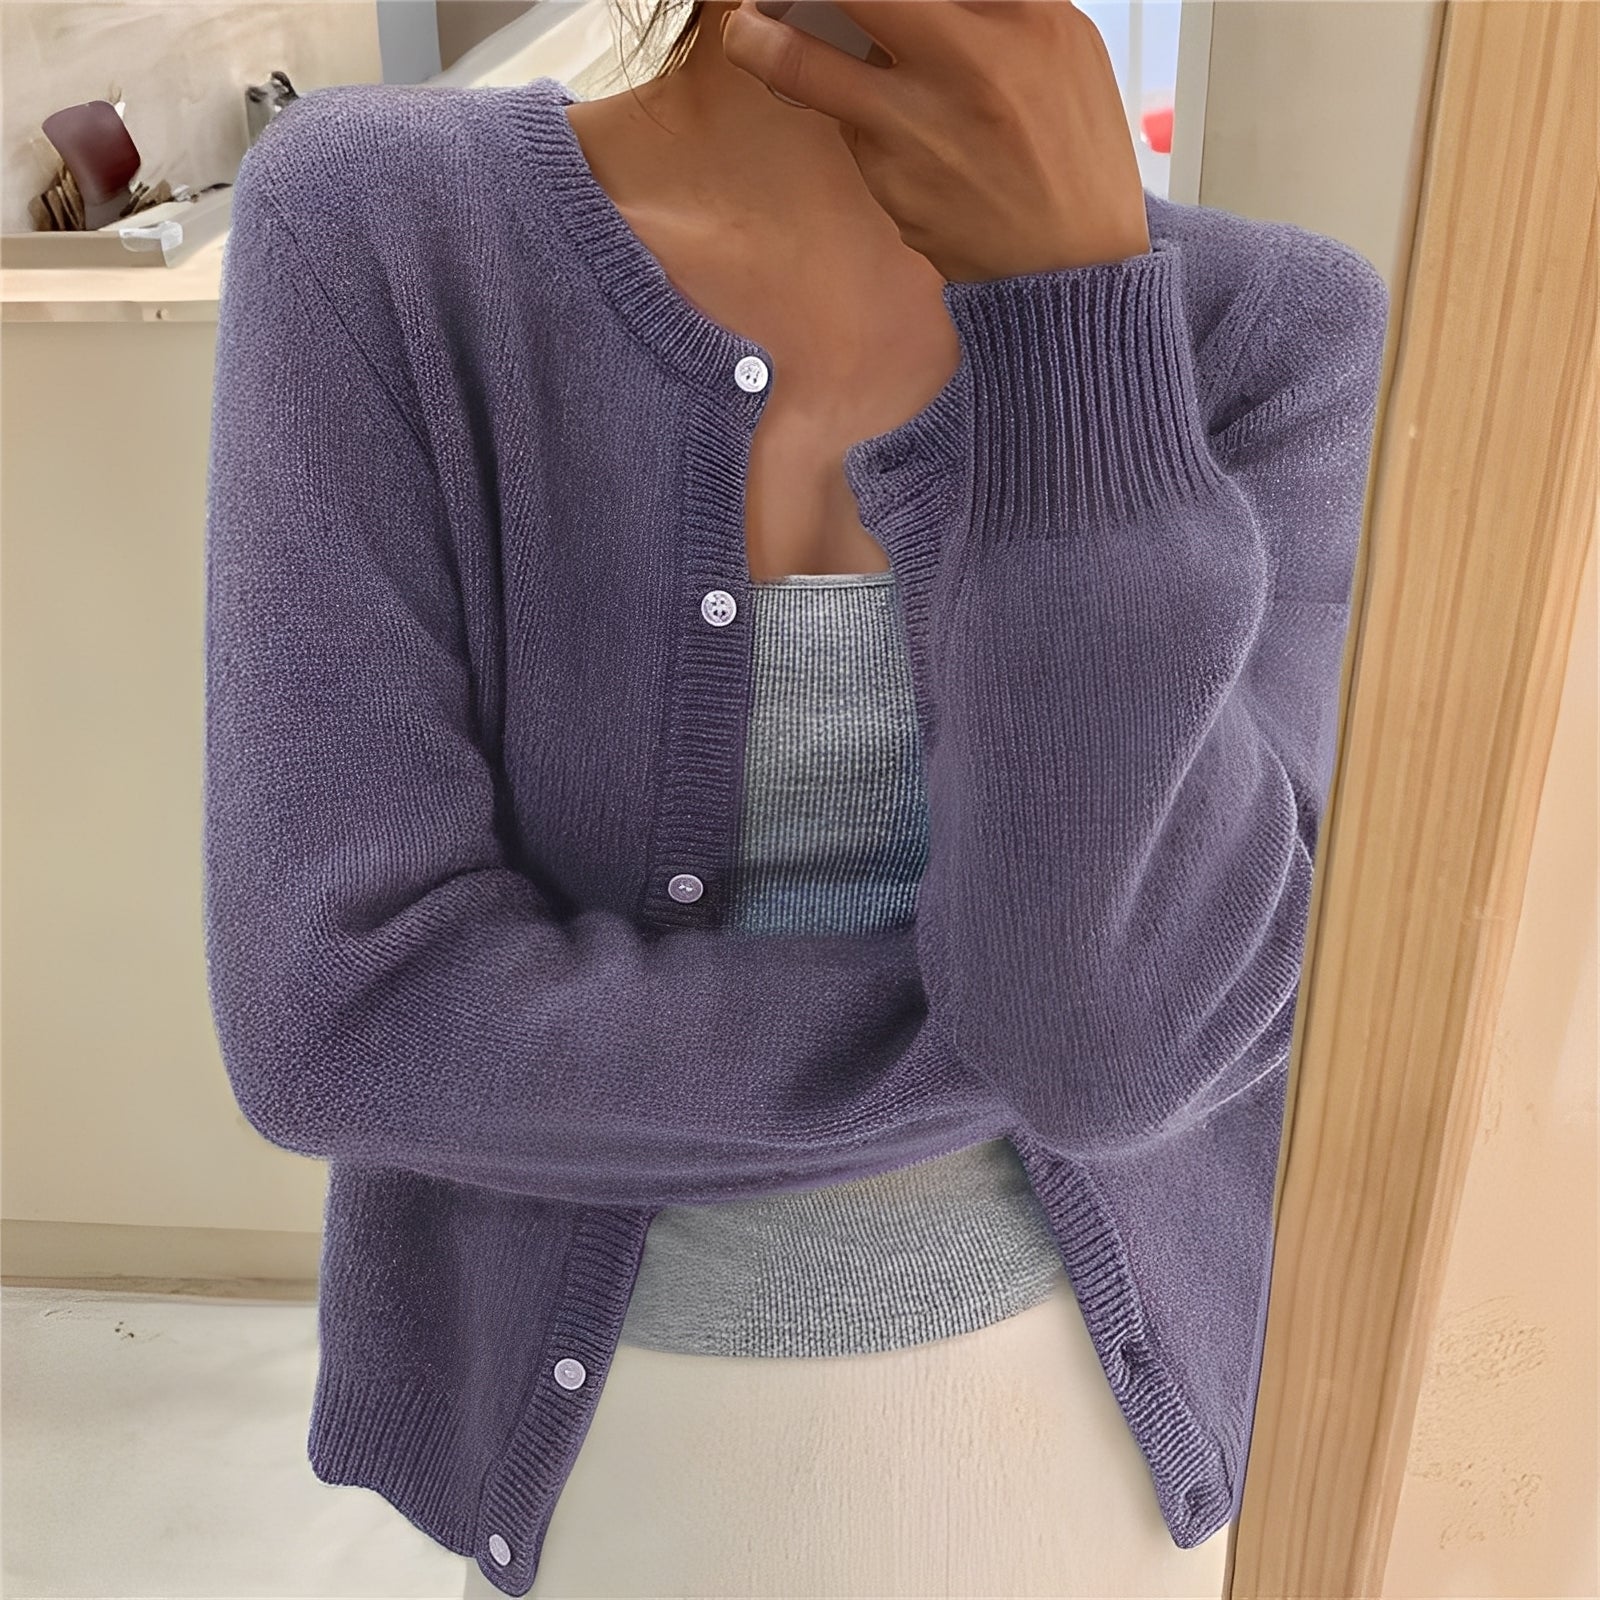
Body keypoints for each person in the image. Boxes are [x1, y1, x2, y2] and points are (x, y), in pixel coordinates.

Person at [202, 2, 1389, 1595]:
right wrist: (988, 1042)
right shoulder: (385, 232)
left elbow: (1114, 1047)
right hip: (617, 1487)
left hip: (1102, 1477)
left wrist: (1080, 329)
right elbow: (343, 1016)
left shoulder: (1268, 337)